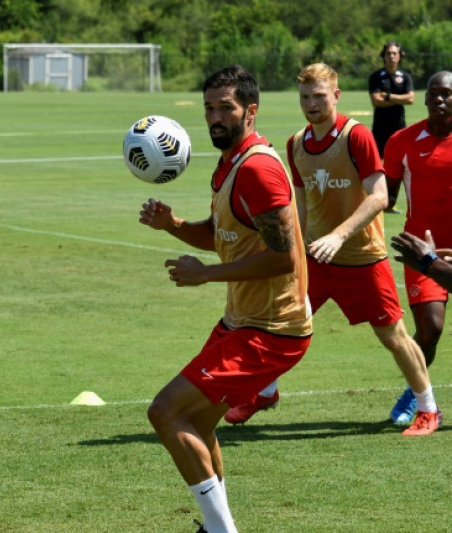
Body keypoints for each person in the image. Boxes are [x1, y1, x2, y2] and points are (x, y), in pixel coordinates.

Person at [139, 65, 312, 533]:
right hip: (244, 322)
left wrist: (206, 277)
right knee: (199, 422)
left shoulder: (257, 169)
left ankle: (222, 532)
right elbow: (226, 236)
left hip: (272, 331)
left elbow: (284, 259)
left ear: (250, 112)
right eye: (209, 108)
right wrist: (174, 225)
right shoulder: (231, 163)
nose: (215, 117)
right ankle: (217, 527)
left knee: (166, 412)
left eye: (225, 108)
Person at [223, 63, 440, 434]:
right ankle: (265, 391)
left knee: (392, 336)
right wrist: (294, 251)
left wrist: (338, 236)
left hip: (362, 258)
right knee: (282, 321)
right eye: (305, 97)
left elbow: (381, 195)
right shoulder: (295, 145)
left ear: (336, 96)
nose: (311, 103)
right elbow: (302, 206)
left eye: (319, 96)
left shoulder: (356, 136)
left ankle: (428, 408)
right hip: (315, 259)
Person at [383, 70, 452, 426]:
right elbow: (385, 196)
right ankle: (416, 393)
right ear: (424, 100)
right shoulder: (402, 141)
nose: (439, 100)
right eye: (433, 94)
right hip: (422, 251)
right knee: (431, 328)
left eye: (447, 94)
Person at [369, 41, 414, 214]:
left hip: (399, 128)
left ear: (400, 56)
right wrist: (399, 98)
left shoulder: (406, 77)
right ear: (384, 56)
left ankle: (391, 201)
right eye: (389, 53)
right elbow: (375, 101)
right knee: (378, 165)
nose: (392, 56)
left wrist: (388, 96)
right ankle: (377, 202)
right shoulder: (375, 77)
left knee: (400, 165)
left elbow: (411, 99)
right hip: (380, 127)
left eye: (395, 53)